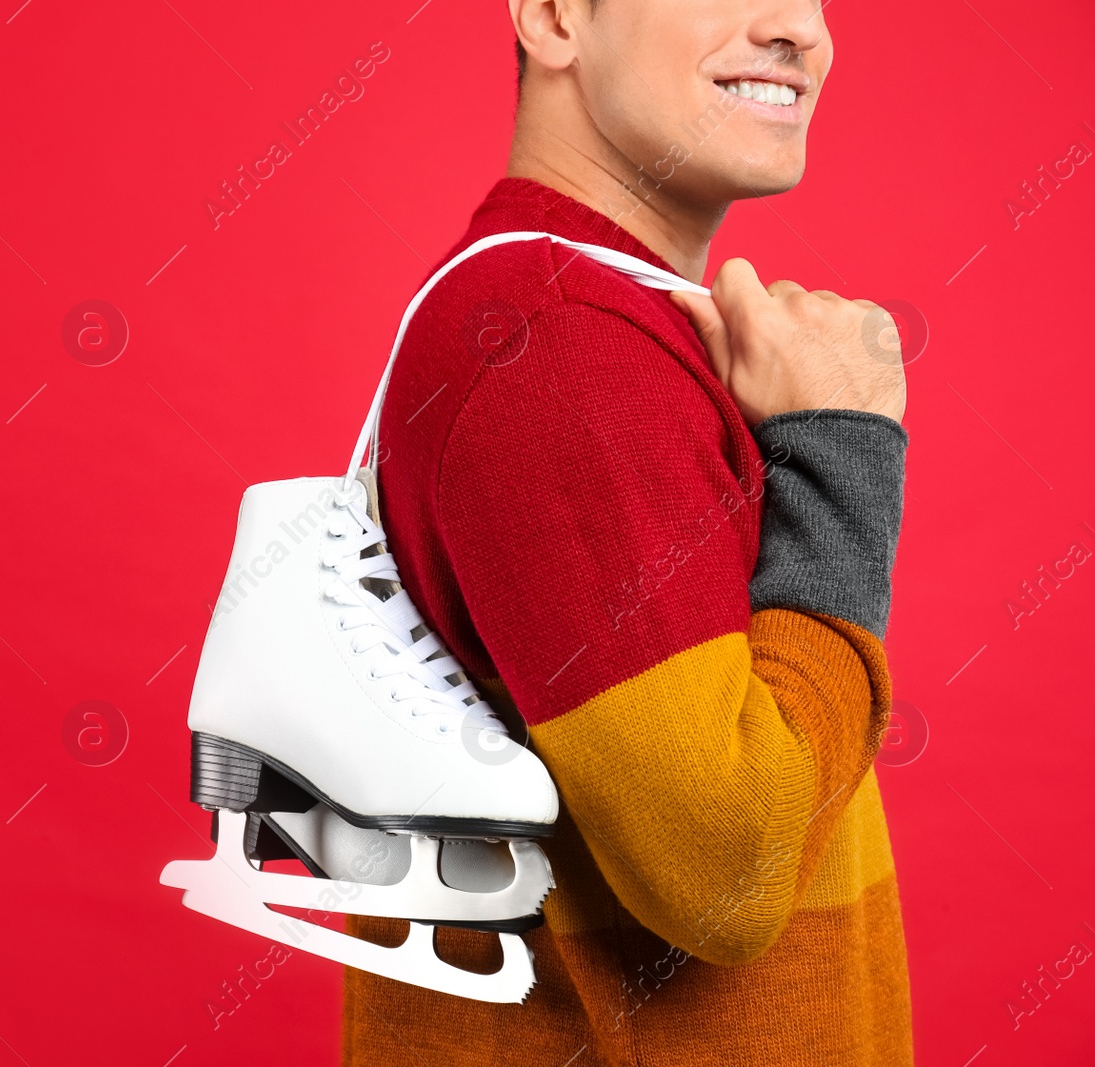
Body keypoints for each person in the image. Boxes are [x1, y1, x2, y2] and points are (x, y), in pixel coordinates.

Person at [343, 0, 913, 1063]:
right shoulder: (557, 345)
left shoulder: (594, 319)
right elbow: (729, 878)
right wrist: (845, 453)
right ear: (555, 17)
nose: (798, 28)